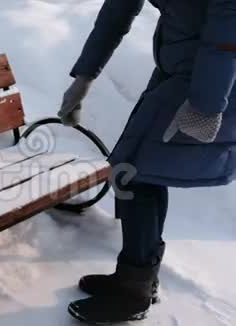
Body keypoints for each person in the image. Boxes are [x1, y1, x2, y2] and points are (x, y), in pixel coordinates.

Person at [57, 0, 236, 324]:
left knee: (135, 172)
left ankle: (133, 289)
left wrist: (206, 105)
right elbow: (117, 12)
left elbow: (228, 25)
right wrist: (83, 76)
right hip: (177, 72)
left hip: (212, 80)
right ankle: (138, 277)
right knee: (141, 173)